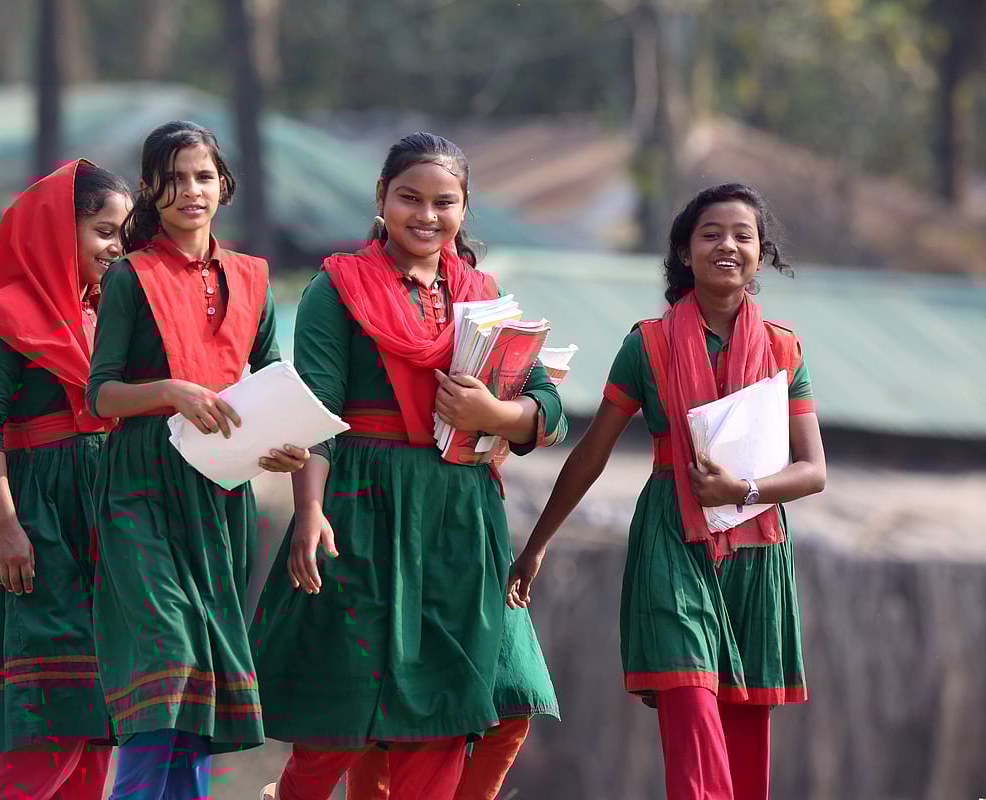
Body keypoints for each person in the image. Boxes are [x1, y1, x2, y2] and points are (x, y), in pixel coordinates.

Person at [251, 132, 567, 800]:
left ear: (464, 208)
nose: (426, 215)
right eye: (410, 198)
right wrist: (309, 510)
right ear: (381, 200)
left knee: (455, 711)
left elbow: (549, 404)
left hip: (459, 516)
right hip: (364, 510)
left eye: (444, 202)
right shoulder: (336, 289)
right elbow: (316, 415)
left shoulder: (484, 296)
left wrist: (496, 417)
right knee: (344, 715)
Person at [510, 183, 827, 800]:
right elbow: (591, 454)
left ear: (762, 255)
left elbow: (812, 470)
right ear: (685, 252)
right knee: (691, 709)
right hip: (670, 543)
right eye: (711, 234)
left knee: (742, 731)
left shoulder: (785, 349)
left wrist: (746, 487)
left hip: (757, 552)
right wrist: (539, 543)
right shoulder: (645, 346)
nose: (727, 246)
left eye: (743, 236)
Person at [87, 121, 308, 800]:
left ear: (224, 187)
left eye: (204, 176)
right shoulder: (129, 277)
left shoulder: (251, 278)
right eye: (175, 177)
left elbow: (272, 376)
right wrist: (171, 393)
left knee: (200, 674)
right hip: (138, 488)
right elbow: (102, 396)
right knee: (169, 659)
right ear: (152, 189)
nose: (191, 190)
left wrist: (279, 447)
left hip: (218, 491)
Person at [0, 159, 132, 800]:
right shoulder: (6, 314)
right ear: (59, 230)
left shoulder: (108, 311)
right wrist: (5, 525)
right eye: (104, 231)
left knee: (93, 731)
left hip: (105, 525)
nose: (118, 247)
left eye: (124, 233)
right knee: (48, 728)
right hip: (38, 523)